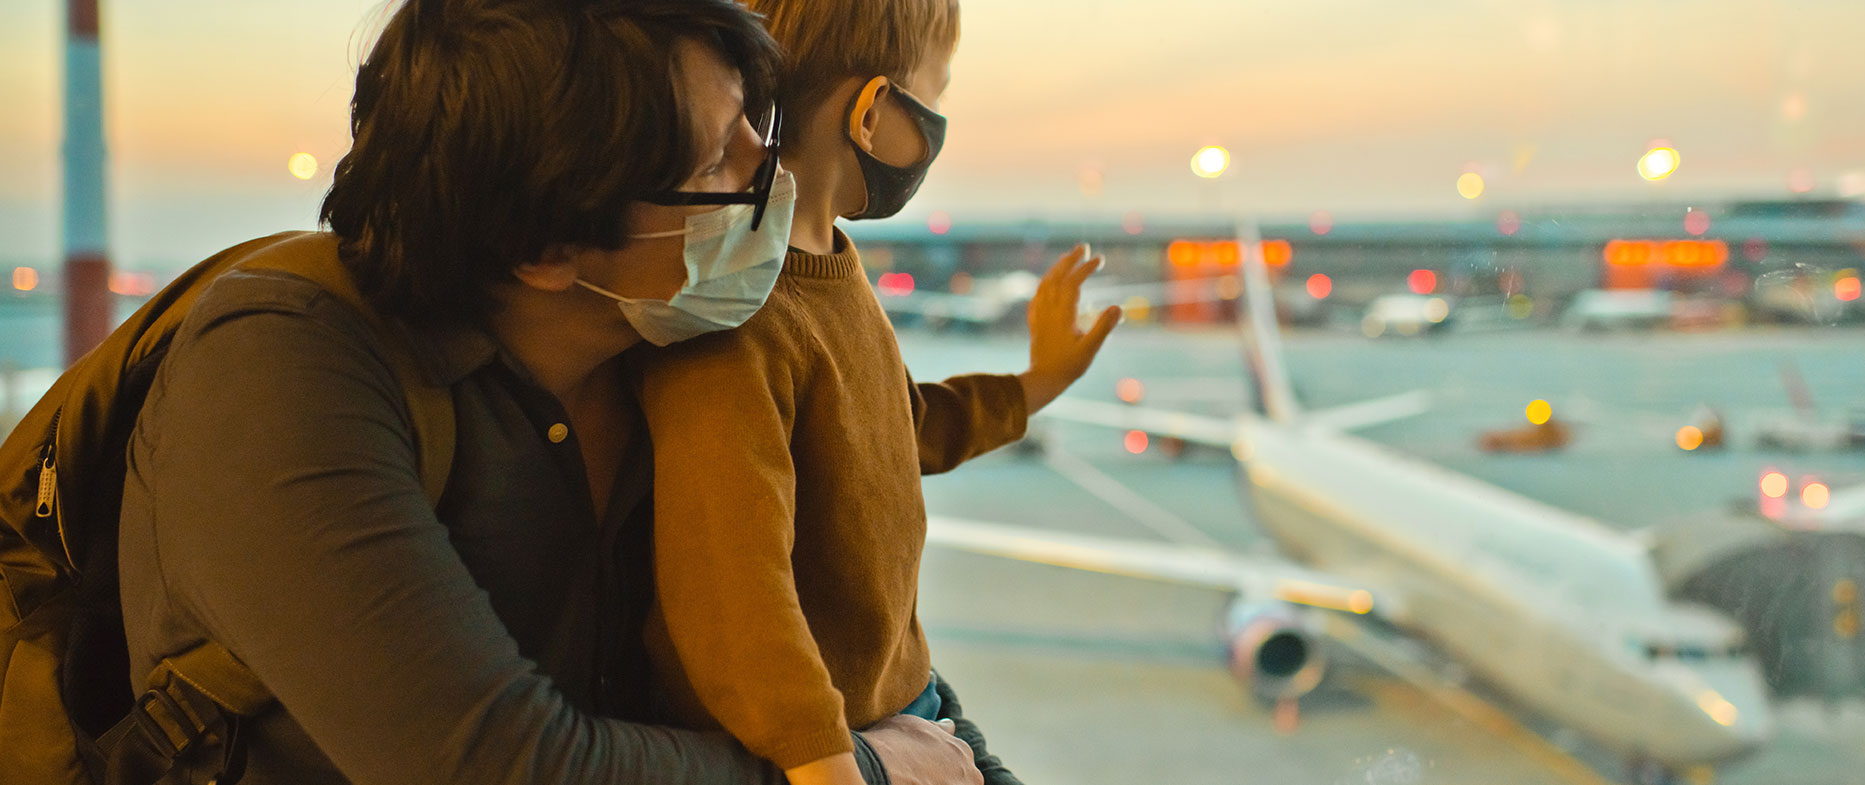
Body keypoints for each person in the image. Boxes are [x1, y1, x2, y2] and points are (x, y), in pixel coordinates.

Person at [118, 1, 988, 782]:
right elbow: (499, 760)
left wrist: (942, 753)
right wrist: (868, 770)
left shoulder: (663, 349)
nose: (773, 171)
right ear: (547, 247)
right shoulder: (280, 373)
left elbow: (859, 653)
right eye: (721, 158)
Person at [636, 0, 1123, 784]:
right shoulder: (741, 320)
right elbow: (731, 593)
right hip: (829, 743)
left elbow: (898, 427)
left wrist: (1039, 382)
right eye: (935, 92)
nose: (937, 124)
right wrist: (826, 758)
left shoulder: (832, 262)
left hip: (904, 701)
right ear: (871, 113)